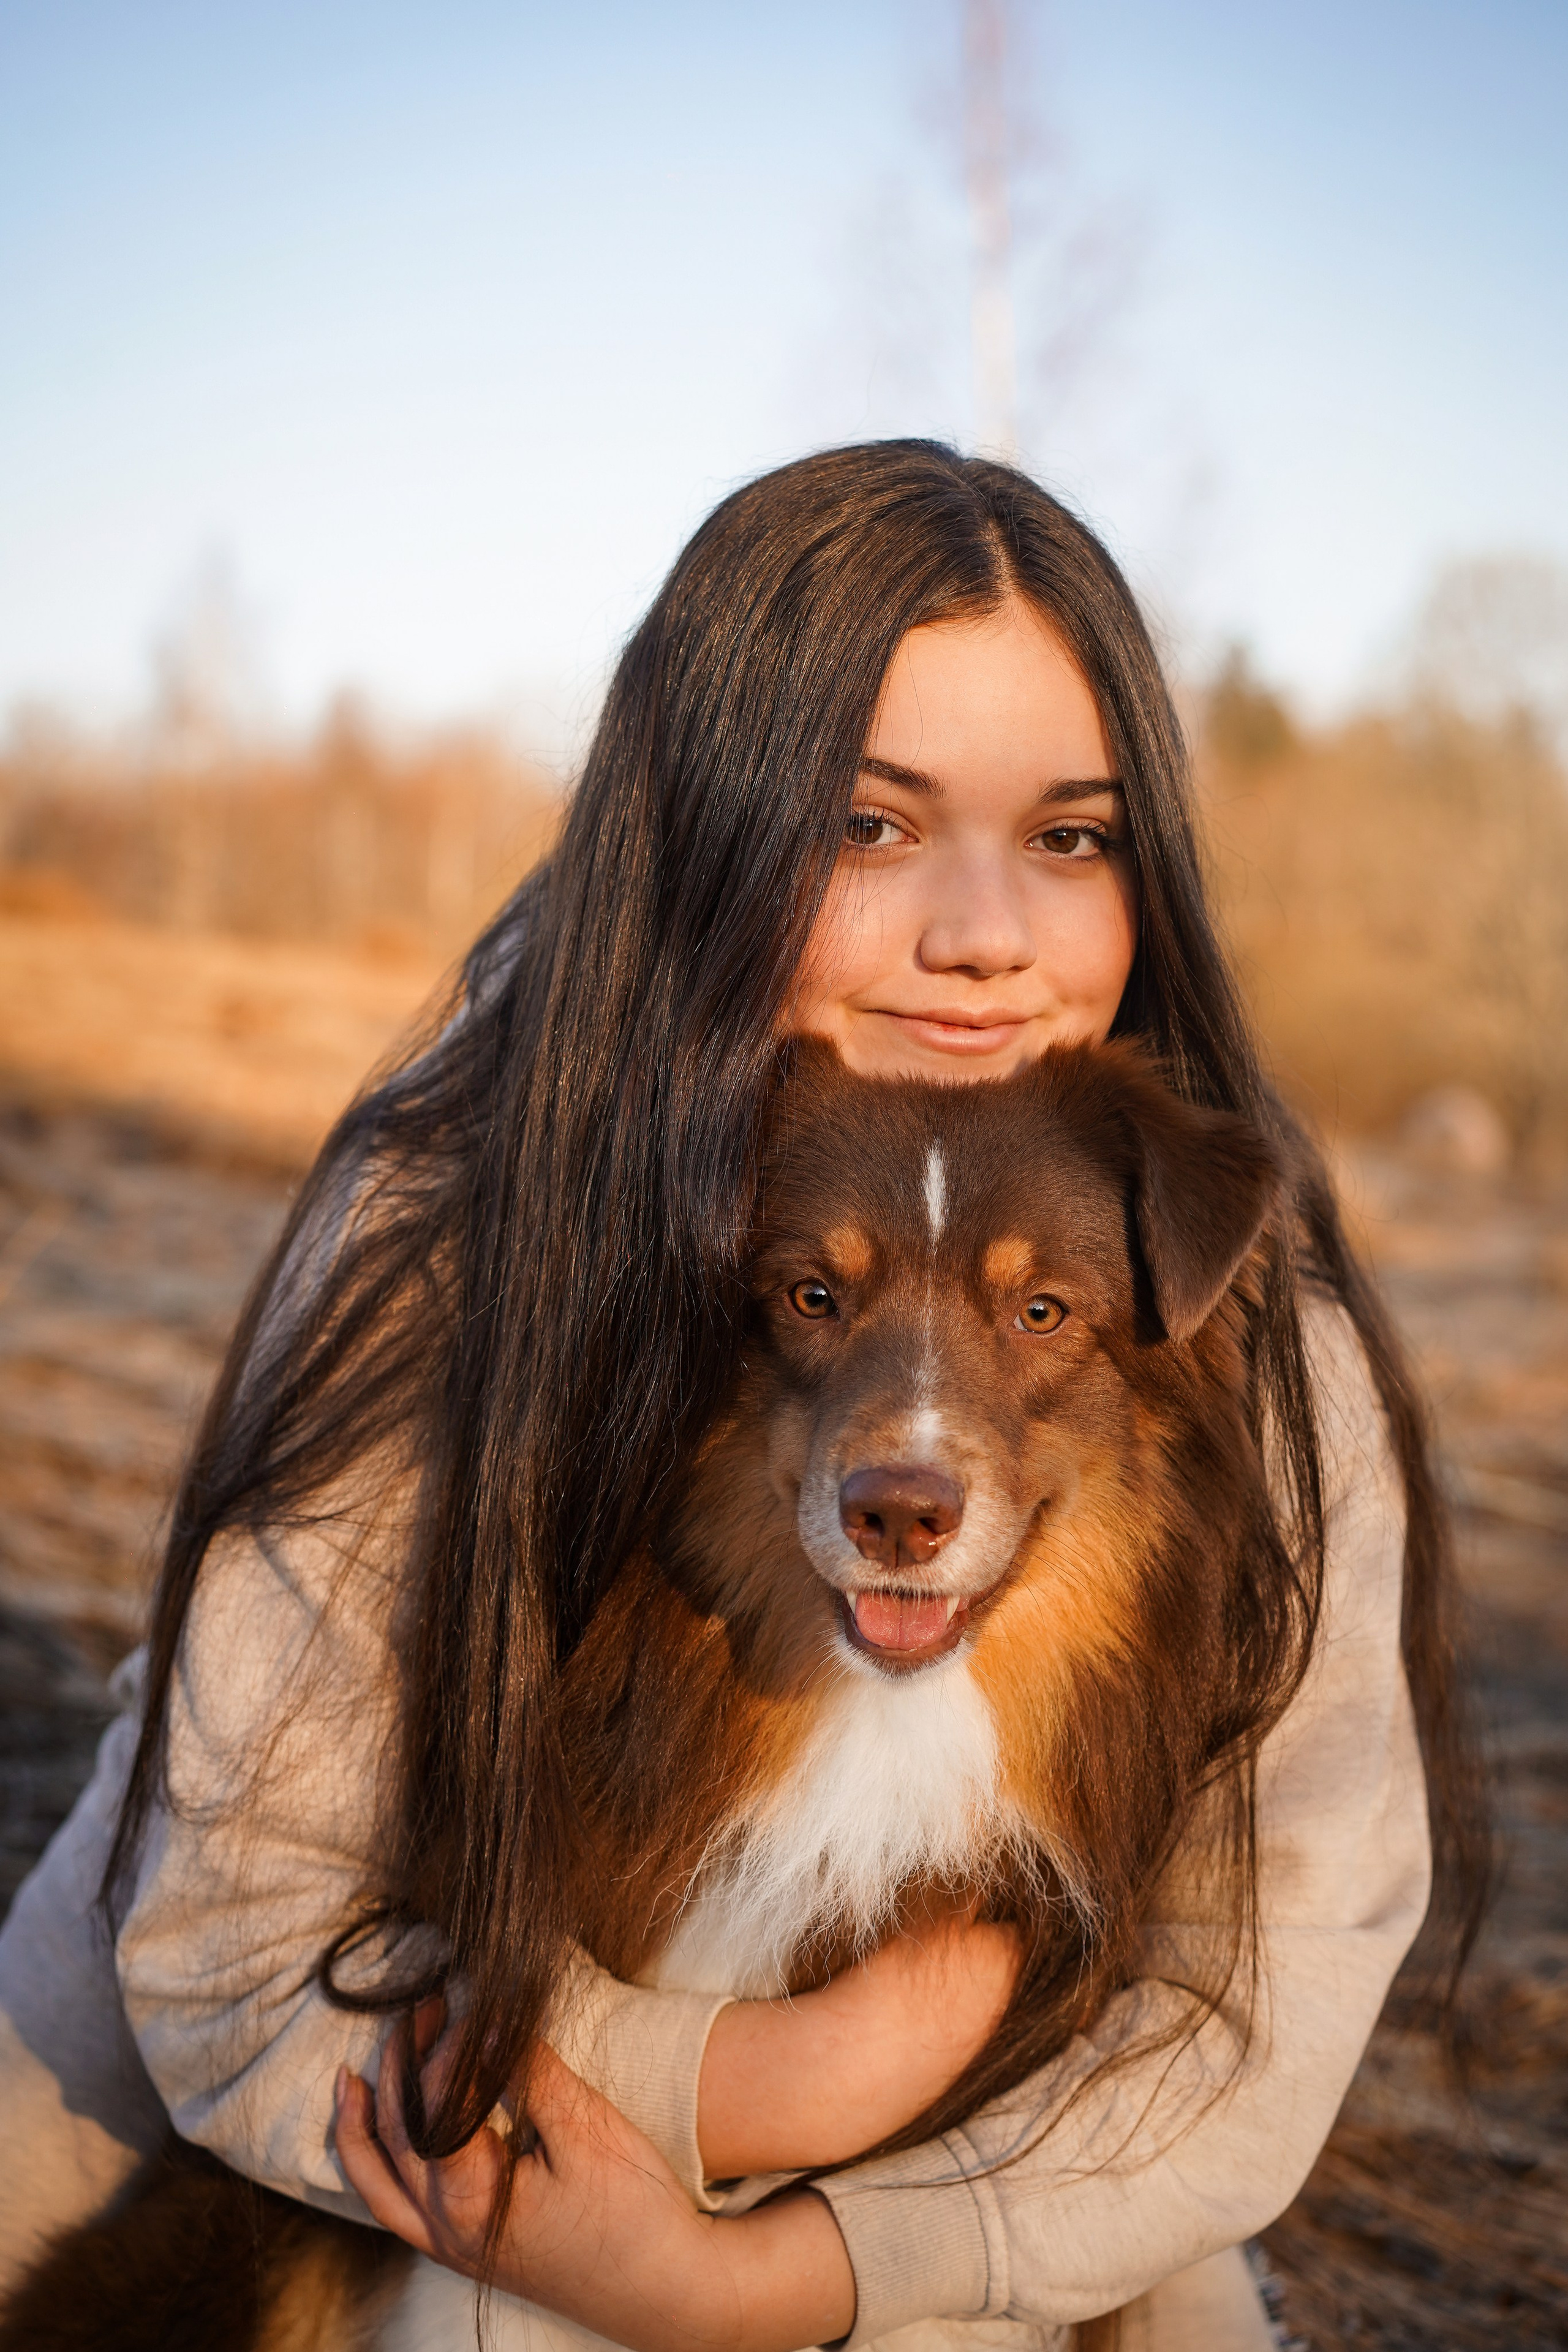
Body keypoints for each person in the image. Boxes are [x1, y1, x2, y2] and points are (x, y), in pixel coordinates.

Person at [0, 443, 1483, 2351]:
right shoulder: (454, 1225)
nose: (985, 934)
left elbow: (1249, 2025)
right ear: (707, 834)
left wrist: (762, 2273)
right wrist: (769, 2086)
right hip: (242, 2029)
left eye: (1070, 838)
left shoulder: (1247, 1324)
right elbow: (232, 1950)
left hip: (951, 2154)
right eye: (870, 823)